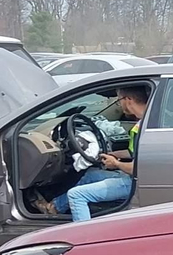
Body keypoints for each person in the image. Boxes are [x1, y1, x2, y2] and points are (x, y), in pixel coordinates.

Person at [35, 84, 148, 221]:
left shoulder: (142, 127)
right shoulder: (146, 121)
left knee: (76, 195)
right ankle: (54, 207)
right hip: (132, 178)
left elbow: (138, 168)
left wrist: (116, 164)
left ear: (128, 99)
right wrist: (115, 155)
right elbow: (137, 153)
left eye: (119, 100)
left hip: (134, 183)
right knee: (89, 175)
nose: (119, 104)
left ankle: (84, 237)